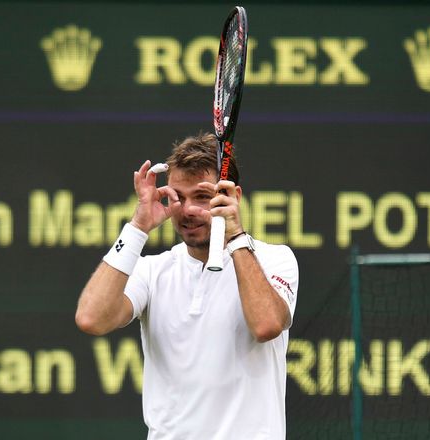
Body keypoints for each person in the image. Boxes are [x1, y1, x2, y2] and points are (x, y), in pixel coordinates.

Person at [75, 132, 299, 440]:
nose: (188, 209)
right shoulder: (152, 270)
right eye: (177, 196)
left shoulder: (276, 259)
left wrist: (234, 236)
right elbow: (91, 319)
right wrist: (138, 226)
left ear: (233, 197)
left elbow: (266, 325)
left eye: (202, 197)